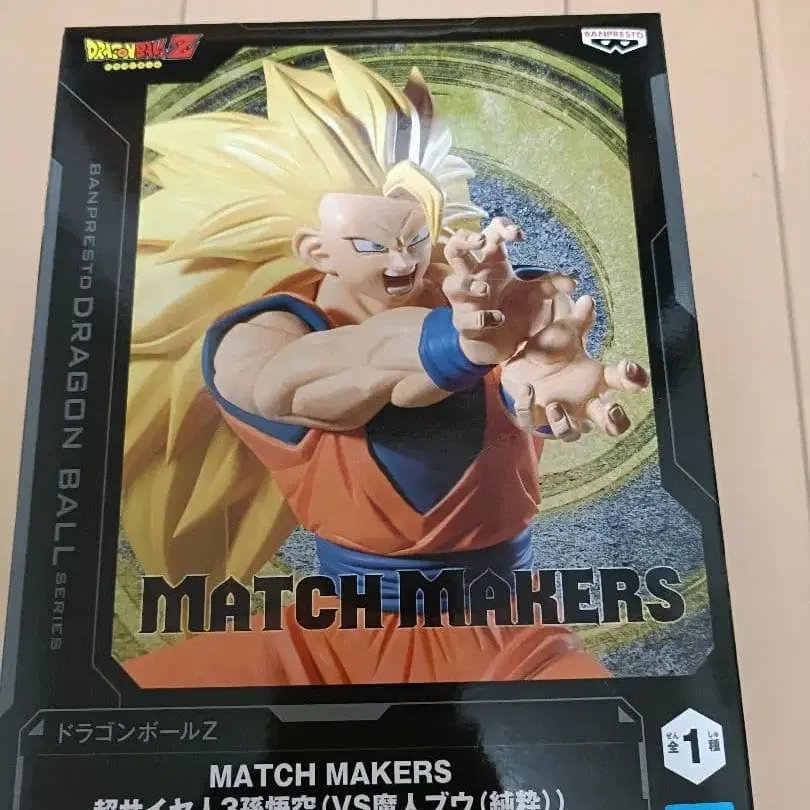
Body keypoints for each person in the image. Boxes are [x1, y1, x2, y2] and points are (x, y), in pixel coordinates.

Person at [121, 49, 648, 688]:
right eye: (373, 244)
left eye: (415, 237)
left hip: (507, 637)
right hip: (326, 643)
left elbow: (520, 358)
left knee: (608, 733)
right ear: (315, 250)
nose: (403, 261)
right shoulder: (257, 337)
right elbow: (306, 381)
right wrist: (458, 345)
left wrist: (538, 372)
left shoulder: (486, 302)